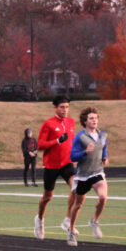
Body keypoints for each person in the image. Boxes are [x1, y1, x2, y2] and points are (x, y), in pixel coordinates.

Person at [34, 95, 77, 240]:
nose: (65, 110)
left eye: (67, 107)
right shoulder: (48, 124)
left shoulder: (71, 122)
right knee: (47, 197)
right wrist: (57, 140)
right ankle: (40, 220)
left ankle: (67, 220)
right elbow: (39, 145)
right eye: (62, 107)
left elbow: (71, 142)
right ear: (55, 107)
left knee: (77, 189)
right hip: (51, 165)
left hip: (67, 164)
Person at [67, 107, 109, 247]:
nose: (94, 120)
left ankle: (94, 221)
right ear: (85, 121)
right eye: (91, 118)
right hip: (83, 175)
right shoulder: (80, 137)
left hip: (97, 172)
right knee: (78, 205)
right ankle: (71, 230)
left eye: (96, 118)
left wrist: (105, 157)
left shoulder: (102, 135)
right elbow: (73, 156)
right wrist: (85, 152)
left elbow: (103, 147)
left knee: (103, 198)